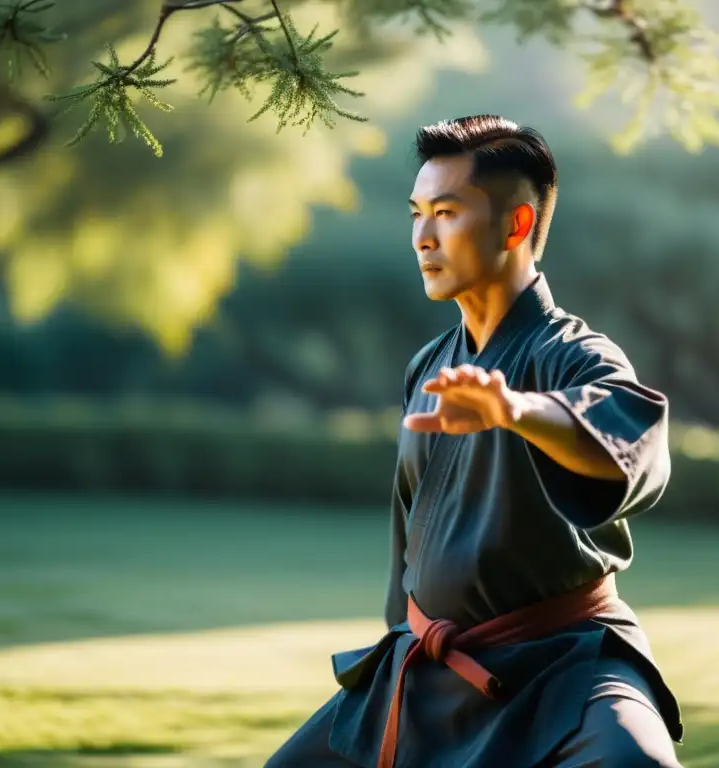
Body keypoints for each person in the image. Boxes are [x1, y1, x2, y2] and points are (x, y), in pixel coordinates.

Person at [266, 115, 683, 768]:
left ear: (516, 226)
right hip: (428, 668)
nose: (422, 238)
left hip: (562, 667)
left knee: (639, 765)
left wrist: (516, 409)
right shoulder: (430, 365)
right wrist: (399, 636)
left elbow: (632, 446)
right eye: (416, 213)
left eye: (446, 213)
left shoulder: (576, 355)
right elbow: (410, 533)